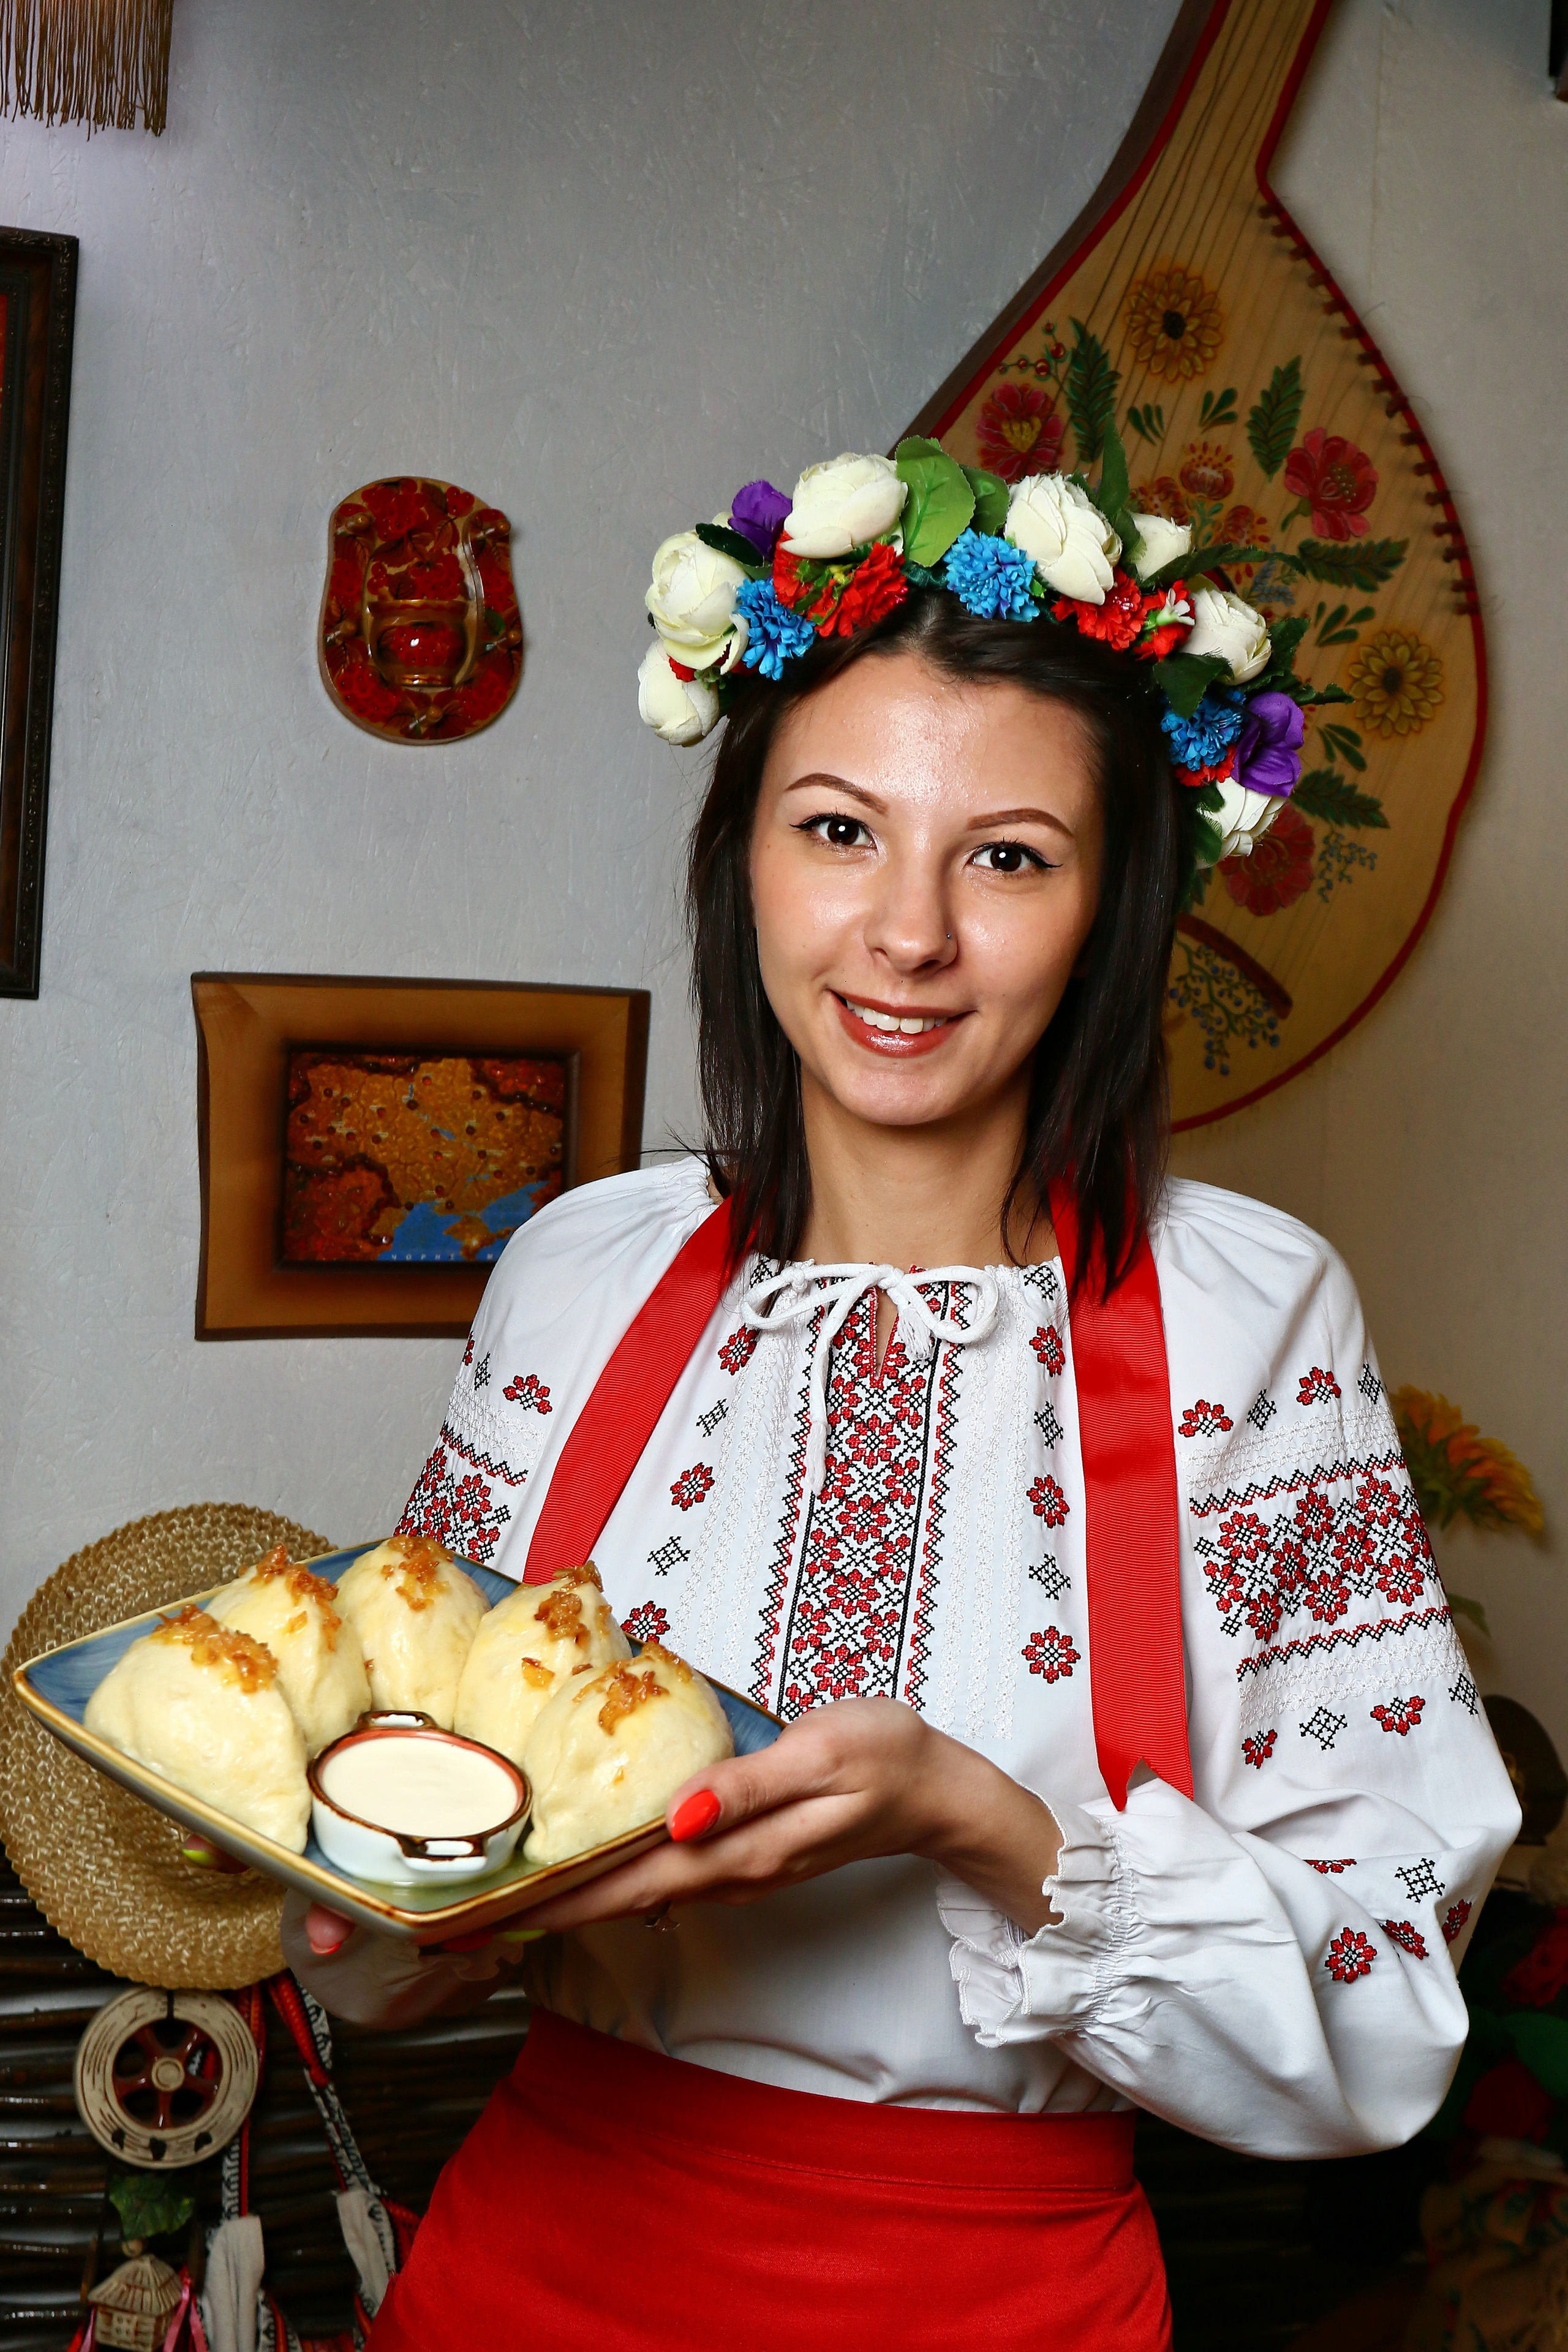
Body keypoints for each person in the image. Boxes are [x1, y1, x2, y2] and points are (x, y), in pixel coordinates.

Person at [285, 440, 1519, 2350]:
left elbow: (1383, 2018)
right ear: (741, 852)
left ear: (1116, 908)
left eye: (1007, 859)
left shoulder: (1248, 1311)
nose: (907, 936)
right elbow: (404, 1891)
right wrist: (334, 1865)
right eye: (839, 830)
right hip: (539, 2262)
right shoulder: (583, 1271)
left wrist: (982, 1822)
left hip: (1000, 2298)